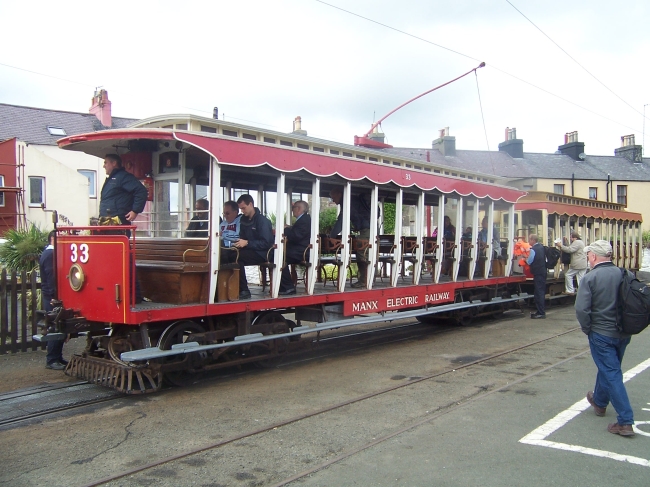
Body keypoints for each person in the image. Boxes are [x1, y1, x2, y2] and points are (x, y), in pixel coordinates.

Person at [575, 240, 635, 437]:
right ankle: (599, 402)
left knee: (611, 372)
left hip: (601, 333)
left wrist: (587, 328)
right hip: (623, 332)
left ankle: (625, 420)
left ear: (593, 256)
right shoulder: (625, 274)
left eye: (588, 255)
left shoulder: (590, 277)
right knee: (609, 368)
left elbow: (582, 309)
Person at [226, 194, 274, 299]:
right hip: (251, 250)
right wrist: (238, 244)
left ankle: (244, 290)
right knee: (228, 254)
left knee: (236, 257)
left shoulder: (262, 221)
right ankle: (230, 287)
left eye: (243, 208)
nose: (242, 211)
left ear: (251, 204)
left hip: (264, 253)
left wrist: (247, 243)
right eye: (240, 209)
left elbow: (266, 243)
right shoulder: (244, 220)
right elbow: (243, 237)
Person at [329, 188, 371, 288]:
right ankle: (368, 279)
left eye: (333, 197)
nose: (333, 200)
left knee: (362, 254)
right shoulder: (352, 200)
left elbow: (341, 221)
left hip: (366, 230)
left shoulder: (347, 201)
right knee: (365, 254)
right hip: (368, 229)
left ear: (339, 194)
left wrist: (331, 236)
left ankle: (364, 281)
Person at [40, 231, 67, 370]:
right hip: (52, 297)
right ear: (53, 239)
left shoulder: (49, 253)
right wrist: (54, 296)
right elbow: (52, 277)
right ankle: (51, 359)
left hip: (51, 296)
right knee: (55, 326)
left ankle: (57, 356)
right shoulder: (50, 255)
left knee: (59, 325)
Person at [99, 154, 148, 225]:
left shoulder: (124, 177)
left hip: (118, 222)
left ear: (114, 163)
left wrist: (135, 210)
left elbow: (141, 191)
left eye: (105, 163)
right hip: (107, 221)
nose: (104, 166)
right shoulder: (112, 179)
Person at [279, 201, 311, 295]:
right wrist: (290, 228)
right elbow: (298, 231)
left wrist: (286, 229)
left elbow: (295, 236)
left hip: (302, 251)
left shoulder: (304, 220)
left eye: (293, 208)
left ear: (299, 209)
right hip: (299, 249)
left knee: (279, 257)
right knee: (278, 255)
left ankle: (288, 287)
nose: (292, 210)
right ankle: (283, 286)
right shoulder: (304, 219)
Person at [555, 231, 587, 295]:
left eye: (571, 237)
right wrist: (566, 242)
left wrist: (561, 245)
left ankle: (570, 290)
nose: (570, 239)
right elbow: (571, 247)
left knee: (568, 275)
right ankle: (582, 291)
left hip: (577, 264)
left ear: (575, 237)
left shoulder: (577, 242)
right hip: (583, 263)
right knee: (580, 278)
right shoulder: (581, 242)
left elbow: (570, 250)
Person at [526, 234, 546, 319]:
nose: (528, 241)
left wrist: (525, 259)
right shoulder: (541, 247)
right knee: (541, 291)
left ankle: (541, 312)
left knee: (538, 293)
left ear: (533, 240)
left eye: (529, 240)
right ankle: (540, 311)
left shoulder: (533, 249)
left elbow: (529, 261)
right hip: (543, 271)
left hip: (538, 273)